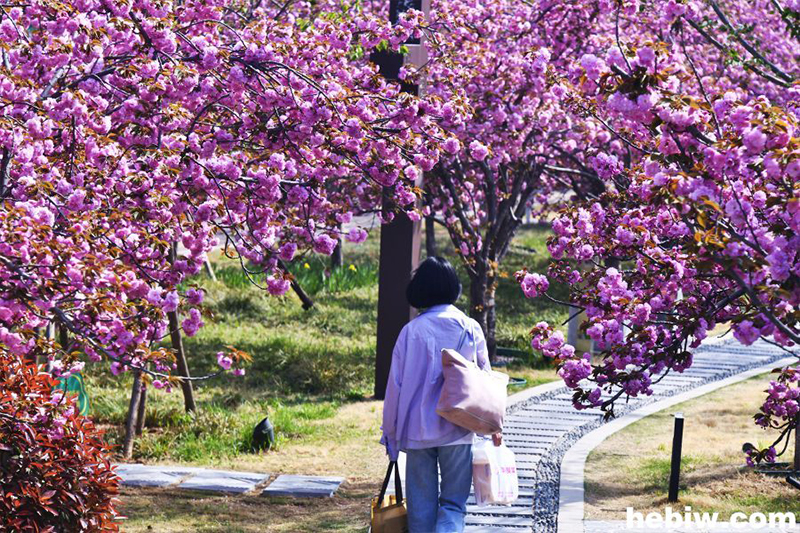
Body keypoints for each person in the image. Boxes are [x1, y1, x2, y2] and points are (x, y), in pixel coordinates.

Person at [381, 256, 501, 533]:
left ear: (420, 289)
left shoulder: (410, 332)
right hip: (459, 428)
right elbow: (486, 379)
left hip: (417, 431)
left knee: (420, 509)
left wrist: (390, 434)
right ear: (453, 287)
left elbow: (395, 387)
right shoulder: (470, 327)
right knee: (453, 505)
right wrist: (494, 426)